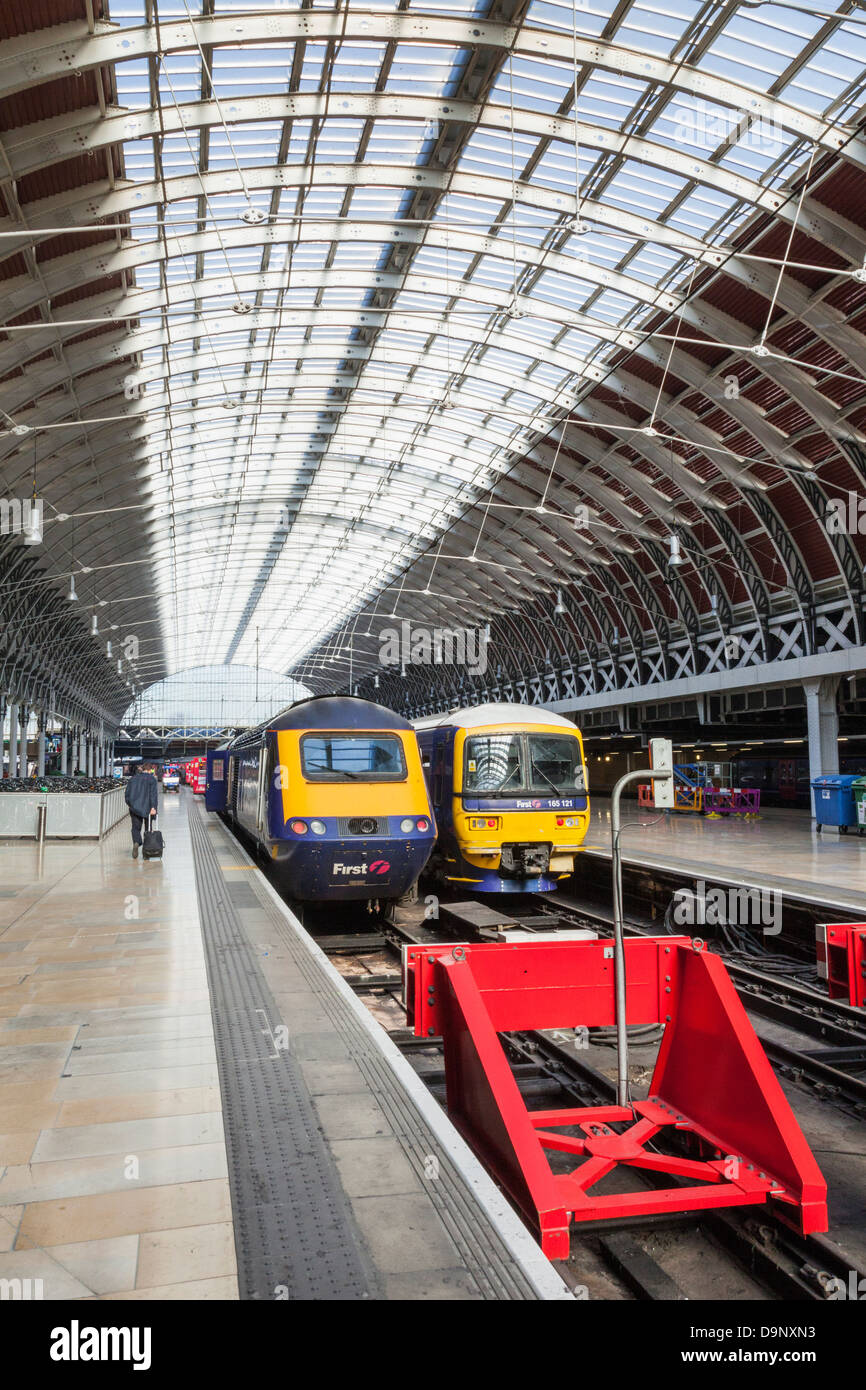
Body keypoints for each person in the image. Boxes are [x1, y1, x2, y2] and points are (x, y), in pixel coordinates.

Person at [124, 764, 159, 859]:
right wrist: (153, 807)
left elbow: (127, 795)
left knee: (135, 828)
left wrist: (131, 804)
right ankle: (146, 852)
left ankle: (136, 842)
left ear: (142, 769)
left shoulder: (133, 779)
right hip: (148, 809)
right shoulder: (152, 779)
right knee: (148, 829)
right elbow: (153, 795)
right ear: (150, 770)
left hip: (135, 808)